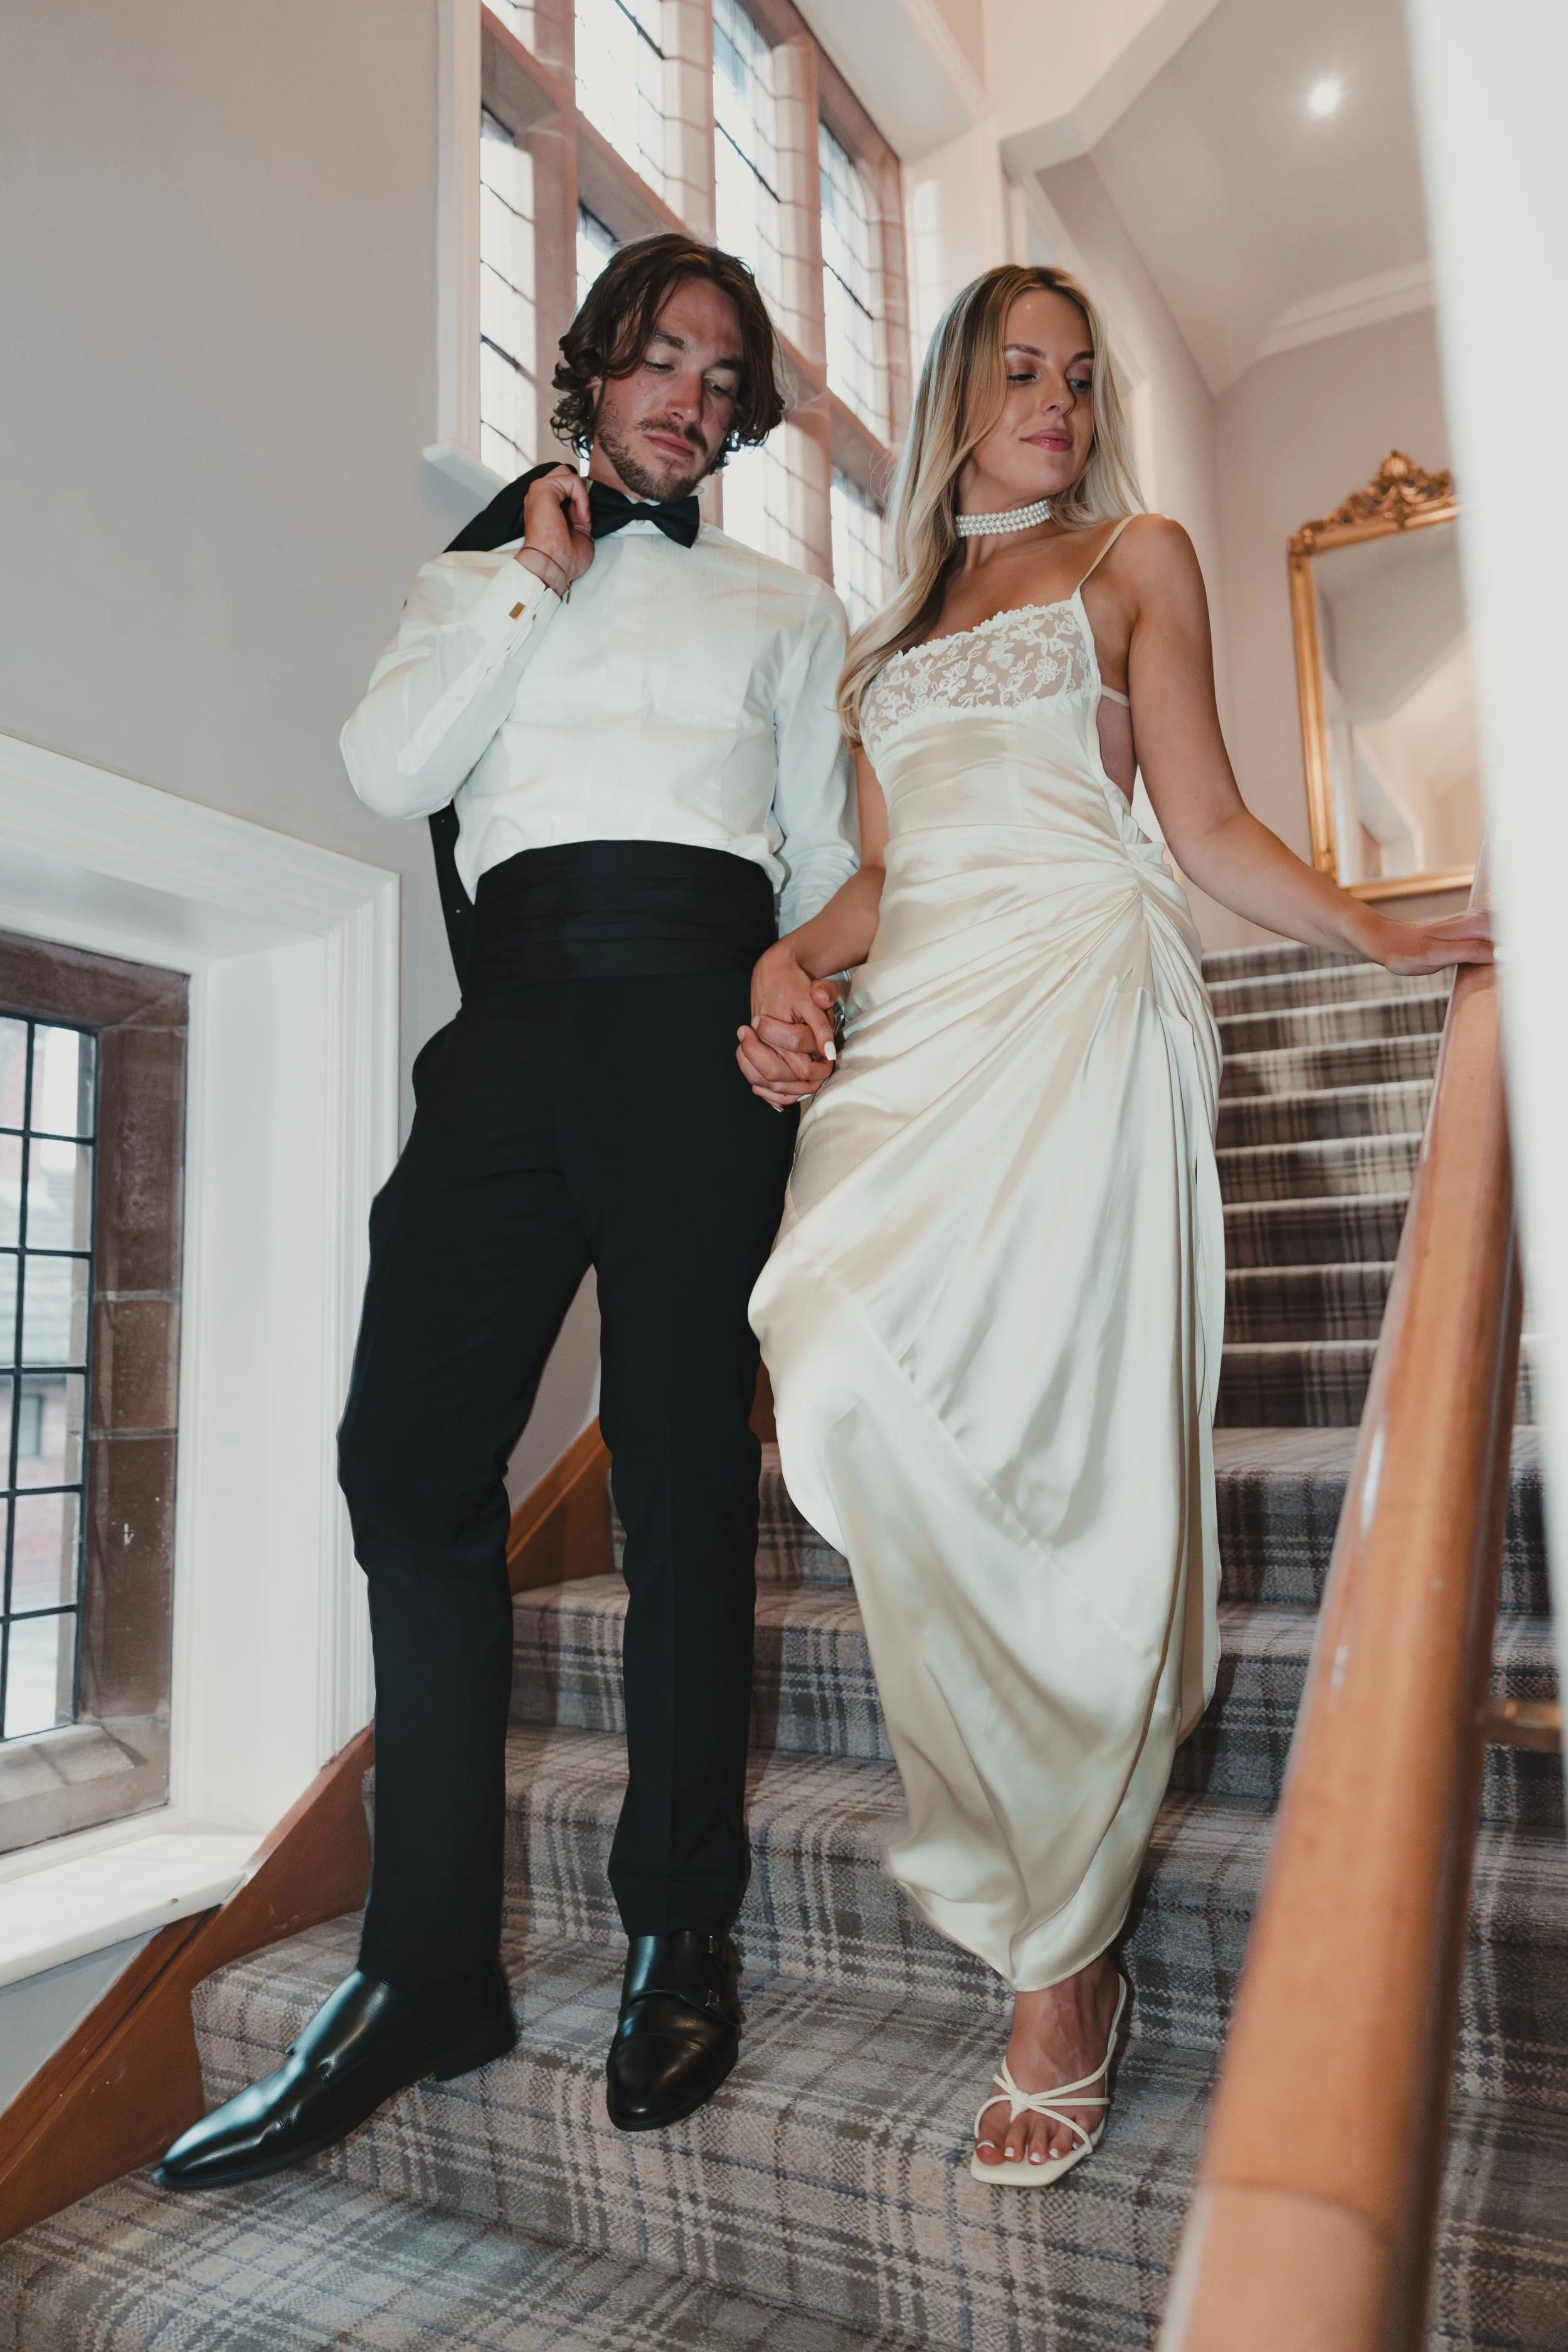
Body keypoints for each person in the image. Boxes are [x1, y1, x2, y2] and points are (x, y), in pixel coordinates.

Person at [743, 263, 1491, 2186]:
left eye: (1077, 377)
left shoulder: (1136, 555)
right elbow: (880, 883)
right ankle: (1021, 1841)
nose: (1057, 402)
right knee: (826, 1370)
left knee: (1066, 1467)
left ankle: (1058, 1965)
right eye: (1020, 373)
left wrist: (1384, 926)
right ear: (953, 401)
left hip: (1079, 1001)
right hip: (915, 1035)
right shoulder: (881, 632)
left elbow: (1210, 823)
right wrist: (778, 960)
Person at [156, 233, 854, 2192]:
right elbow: (395, 766)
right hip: (511, 1026)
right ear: (594, 370)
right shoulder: (475, 578)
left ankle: (676, 1920)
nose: (690, 398)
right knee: (406, 1460)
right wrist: (528, 584)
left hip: (696, 1022)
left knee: (681, 1479)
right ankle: (423, 1963)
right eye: (662, 358)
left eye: (725, 378)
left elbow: (824, 858)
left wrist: (801, 993)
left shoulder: (786, 610)